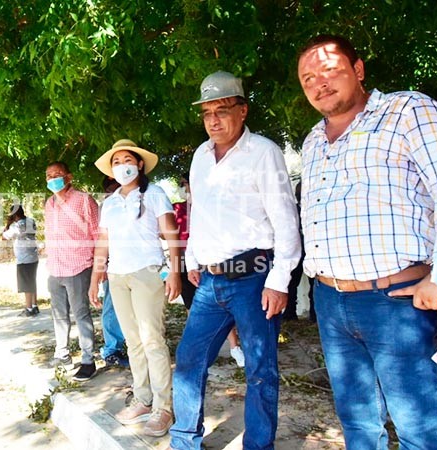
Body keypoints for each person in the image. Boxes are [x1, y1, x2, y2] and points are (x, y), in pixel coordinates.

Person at [296, 34, 437, 449]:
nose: (319, 83)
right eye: (308, 77)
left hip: (394, 301)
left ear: (359, 70)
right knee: (358, 424)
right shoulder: (313, 140)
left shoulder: (407, 110)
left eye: (330, 70)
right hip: (330, 302)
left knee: (419, 428)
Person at [169, 71, 301, 450]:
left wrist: (280, 280)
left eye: (222, 110)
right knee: (190, 360)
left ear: (242, 111)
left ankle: (258, 446)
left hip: (254, 279)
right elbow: (199, 211)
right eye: (207, 112)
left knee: (260, 369)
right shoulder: (200, 156)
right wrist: (192, 257)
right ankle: (184, 440)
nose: (213, 119)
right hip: (210, 283)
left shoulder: (263, 152)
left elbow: (284, 217)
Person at [88, 139, 181, 437]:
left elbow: (171, 234)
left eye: (127, 160)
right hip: (117, 276)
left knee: (152, 340)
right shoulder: (110, 202)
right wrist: (95, 275)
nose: (122, 166)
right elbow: (103, 241)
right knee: (133, 342)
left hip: (147, 274)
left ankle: (163, 408)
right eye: (116, 162)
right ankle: (142, 399)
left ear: (139, 164)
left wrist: (175, 272)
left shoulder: (155, 194)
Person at [174, 175, 245, 368]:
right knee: (193, 307)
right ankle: (200, 349)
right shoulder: (178, 209)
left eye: (189, 184)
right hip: (186, 262)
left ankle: (234, 346)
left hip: (215, 263)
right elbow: (167, 232)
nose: (187, 189)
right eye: (185, 185)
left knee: (224, 307)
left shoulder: (214, 207)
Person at [44, 161, 99, 382]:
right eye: (48, 176)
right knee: (59, 314)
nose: (52, 178)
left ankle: (88, 360)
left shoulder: (84, 200)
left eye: (57, 174)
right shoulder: (49, 203)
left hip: (79, 266)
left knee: (81, 314)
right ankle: (63, 354)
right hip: (55, 268)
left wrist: (99, 267)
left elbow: (97, 233)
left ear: (69, 177)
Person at [98, 176, 129, 368]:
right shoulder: (107, 206)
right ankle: (111, 349)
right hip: (114, 266)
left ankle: (127, 345)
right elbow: (102, 239)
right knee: (111, 307)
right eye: (112, 187)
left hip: (135, 265)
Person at [283, 181, 316, 323]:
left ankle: (315, 317)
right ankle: (290, 315)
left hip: (312, 253)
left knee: (314, 286)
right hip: (296, 252)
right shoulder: (292, 211)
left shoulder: (315, 210)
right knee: (291, 284)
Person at [1, 204, 39, 317]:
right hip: (33, 256)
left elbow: (4, 236)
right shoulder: (31, 221)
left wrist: (8, 223)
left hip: (23, 259)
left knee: (26, 284)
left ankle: (28, 309)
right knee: (32, 281)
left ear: (14, 215)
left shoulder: (17, 226)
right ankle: (34, 305)